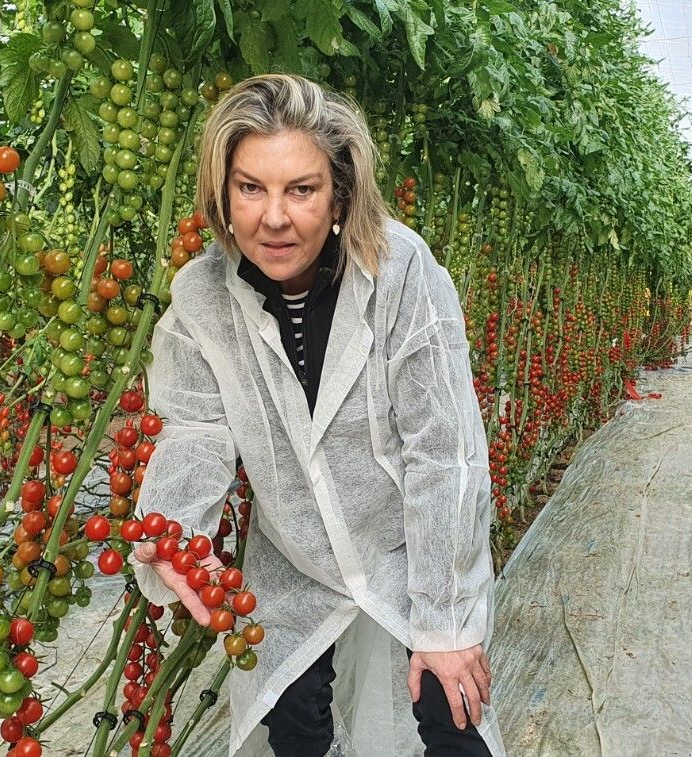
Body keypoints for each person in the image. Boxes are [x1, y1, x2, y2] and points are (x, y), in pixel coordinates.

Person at [129, 73, 504, 757]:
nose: (275, 217)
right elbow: (195, 432)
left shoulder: (399, 273)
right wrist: (177, 532)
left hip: (404, 545)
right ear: (222, 193)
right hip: (294, 556)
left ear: (340, 195)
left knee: (449, 710)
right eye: (251, 187)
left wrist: (447, 620)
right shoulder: (201, 301)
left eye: (301, 189)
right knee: (296, 723)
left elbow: (442, 447)